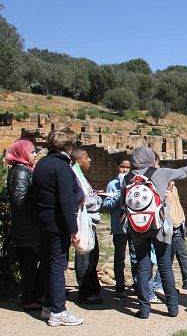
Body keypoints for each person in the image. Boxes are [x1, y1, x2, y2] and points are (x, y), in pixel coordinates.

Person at [123, 146, 187, 319]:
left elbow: (123, 203)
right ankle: (173, 307)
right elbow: (184, 172)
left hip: (138, 228)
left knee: (143, 267)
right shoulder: (160, 173)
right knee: (165, 267)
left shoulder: (128, 177)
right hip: (159, 227)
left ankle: (144, 309)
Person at [32, 128, 84, 326]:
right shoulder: (62, 168)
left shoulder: (43, 164)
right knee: (58, 267)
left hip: (43, 221)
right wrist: (73, 228)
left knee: (47, 264)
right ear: (68, 147)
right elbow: (65, 200)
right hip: (57, 224)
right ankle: (58, 311)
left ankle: (48, 305)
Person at [6, 139, 48, 312]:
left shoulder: (23, 170)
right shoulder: (20, 172)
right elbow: (19, 200)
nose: (35, 155)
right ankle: (37, 295)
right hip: (29, 227)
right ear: (22, 153)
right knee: (47, 260)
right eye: (32, 152)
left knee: (30, 264)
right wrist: (42, 197)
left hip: (28, 226)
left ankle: (31, 297)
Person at [70, 147, 103, 304]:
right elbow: (84, 199)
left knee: (92, 257)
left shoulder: (81, 177)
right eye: (86, 157)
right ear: (78, 161)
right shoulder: (75, 177)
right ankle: (85, 292)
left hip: (90, 222)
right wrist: (97, 200)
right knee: (84, 258)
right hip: (83, 223)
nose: (90, 160)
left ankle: (92, 287)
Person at [103, 155, 137, 299]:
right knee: (119, 257)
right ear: (118, 167)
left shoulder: (135, 183)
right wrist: (119, 195)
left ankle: (138, 285)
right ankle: (120, 286)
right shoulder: (112, 185)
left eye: (127, 167)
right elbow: (106, 205)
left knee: (136, 257)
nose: (124, 170)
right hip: (119, 226)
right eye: (122, 167)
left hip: (133, 226)